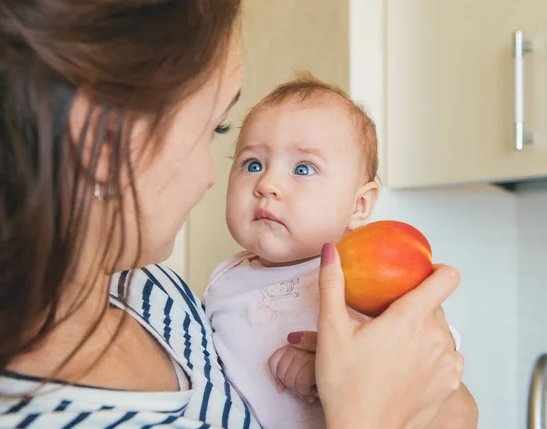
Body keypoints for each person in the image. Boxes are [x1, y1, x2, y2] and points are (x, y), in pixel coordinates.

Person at [0, 0, 469, 428]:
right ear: (100, 144)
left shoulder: (156, 296)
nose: (212, 177)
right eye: (217, 134)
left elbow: (453, 402)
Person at [203, 73, 475, 429]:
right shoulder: (221, 281)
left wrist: (322, 368)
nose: (266, 184)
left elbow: (430, 351)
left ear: (359, 205)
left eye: (303, 168)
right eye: (253, 164)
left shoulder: (366, 273)